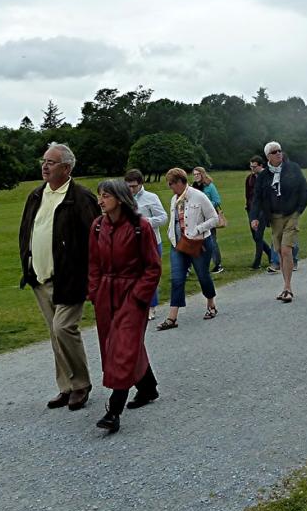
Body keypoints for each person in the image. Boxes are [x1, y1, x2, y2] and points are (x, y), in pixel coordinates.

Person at [17, 142, 99, 411]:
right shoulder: (36, 195)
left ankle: (81, 384)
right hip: (39, 277)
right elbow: (28, 231)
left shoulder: (80, 197)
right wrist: (28, 264)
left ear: (66, 168)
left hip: (70, 278)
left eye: (51, 162)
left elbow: (95, 238)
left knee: (63, 328)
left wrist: (91, 277)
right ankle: (66, 386)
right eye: (44, 161)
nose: (45, 166)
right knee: (55, 334)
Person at [88, 179, 162, 434]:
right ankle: (148, 387)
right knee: (122, 345)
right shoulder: (98, 226)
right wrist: (95, 292)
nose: (100, 200)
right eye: (100, 195)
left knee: (122, 346)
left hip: (132, 294)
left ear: (119, 198)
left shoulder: (140, 227)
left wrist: (139, 297)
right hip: (106, 295)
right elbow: (94, 263)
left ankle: (113, 410)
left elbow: (153, 267)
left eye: (105, 195)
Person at [250, 141, 307, 303]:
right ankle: (286, 286)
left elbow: (305, 190)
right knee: (279, 251)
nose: (279, 153)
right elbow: (257, 198)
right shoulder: (263, 176)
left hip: (291, 214)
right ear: (268, 156)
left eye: (279, 150)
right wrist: (254, 217)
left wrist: (299, 210)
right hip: (274, 217)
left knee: (286, 250)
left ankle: (288, 287)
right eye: (274, 152)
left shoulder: (293, 168)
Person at [158, 167, 219, 330]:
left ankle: (211, 303)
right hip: (178, 244)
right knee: (177, 279)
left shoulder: (198, 196)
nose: (170, 187)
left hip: (198, 243)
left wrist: (198, 229)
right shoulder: (174, 199)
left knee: (203, 275)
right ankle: (172, 317)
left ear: (179, 182)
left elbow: (214, 219)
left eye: (171, 184)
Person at [125, 169, 167, 321]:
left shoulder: (151, 197)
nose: (131, 189)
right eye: (128, 186)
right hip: (130, 244)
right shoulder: (124, 198)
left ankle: (151, 307)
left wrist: (146, 222)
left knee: (150, 276)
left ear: (140, 184)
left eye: (133, 186)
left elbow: (163, 217)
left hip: (151, 243)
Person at [192, 166, 225, 274]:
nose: (196, 176)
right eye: (194, 174)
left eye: (198, 174)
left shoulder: (209, 186)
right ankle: (200, 264)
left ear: (202, 174)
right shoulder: (193, 187)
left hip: (209, 217)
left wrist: (206, 205)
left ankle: (218, 264)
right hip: (197, 217)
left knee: (211, 240)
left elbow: (217, 200)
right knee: (197, 241)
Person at [245, 156, 276, 269]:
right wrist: (248, 206)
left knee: (258, 235)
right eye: (251, 166)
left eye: (254, 167)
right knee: (255, 236)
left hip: (263, 210)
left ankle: (256, 263)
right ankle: (270, 254)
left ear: (261, 166)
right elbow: (248, 194)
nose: (252, 169)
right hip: (252, 210)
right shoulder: (250, 178)